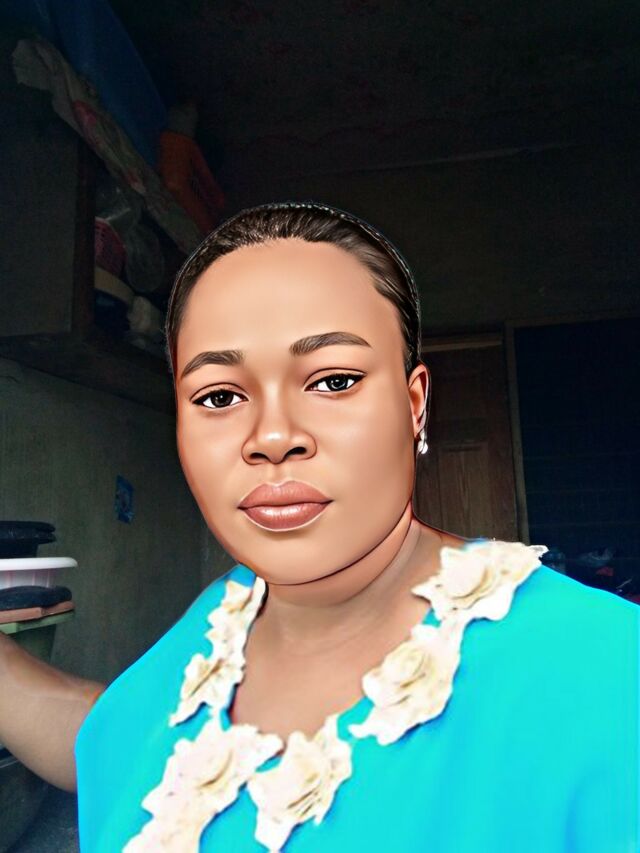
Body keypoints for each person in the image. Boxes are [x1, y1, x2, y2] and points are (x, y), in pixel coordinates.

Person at [0, 201, 638, 852]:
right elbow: (122, 747)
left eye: (333, 381)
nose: (272, 436)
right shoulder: (225, 616)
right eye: (219, 396)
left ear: (414, 406)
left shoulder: (608, 670)